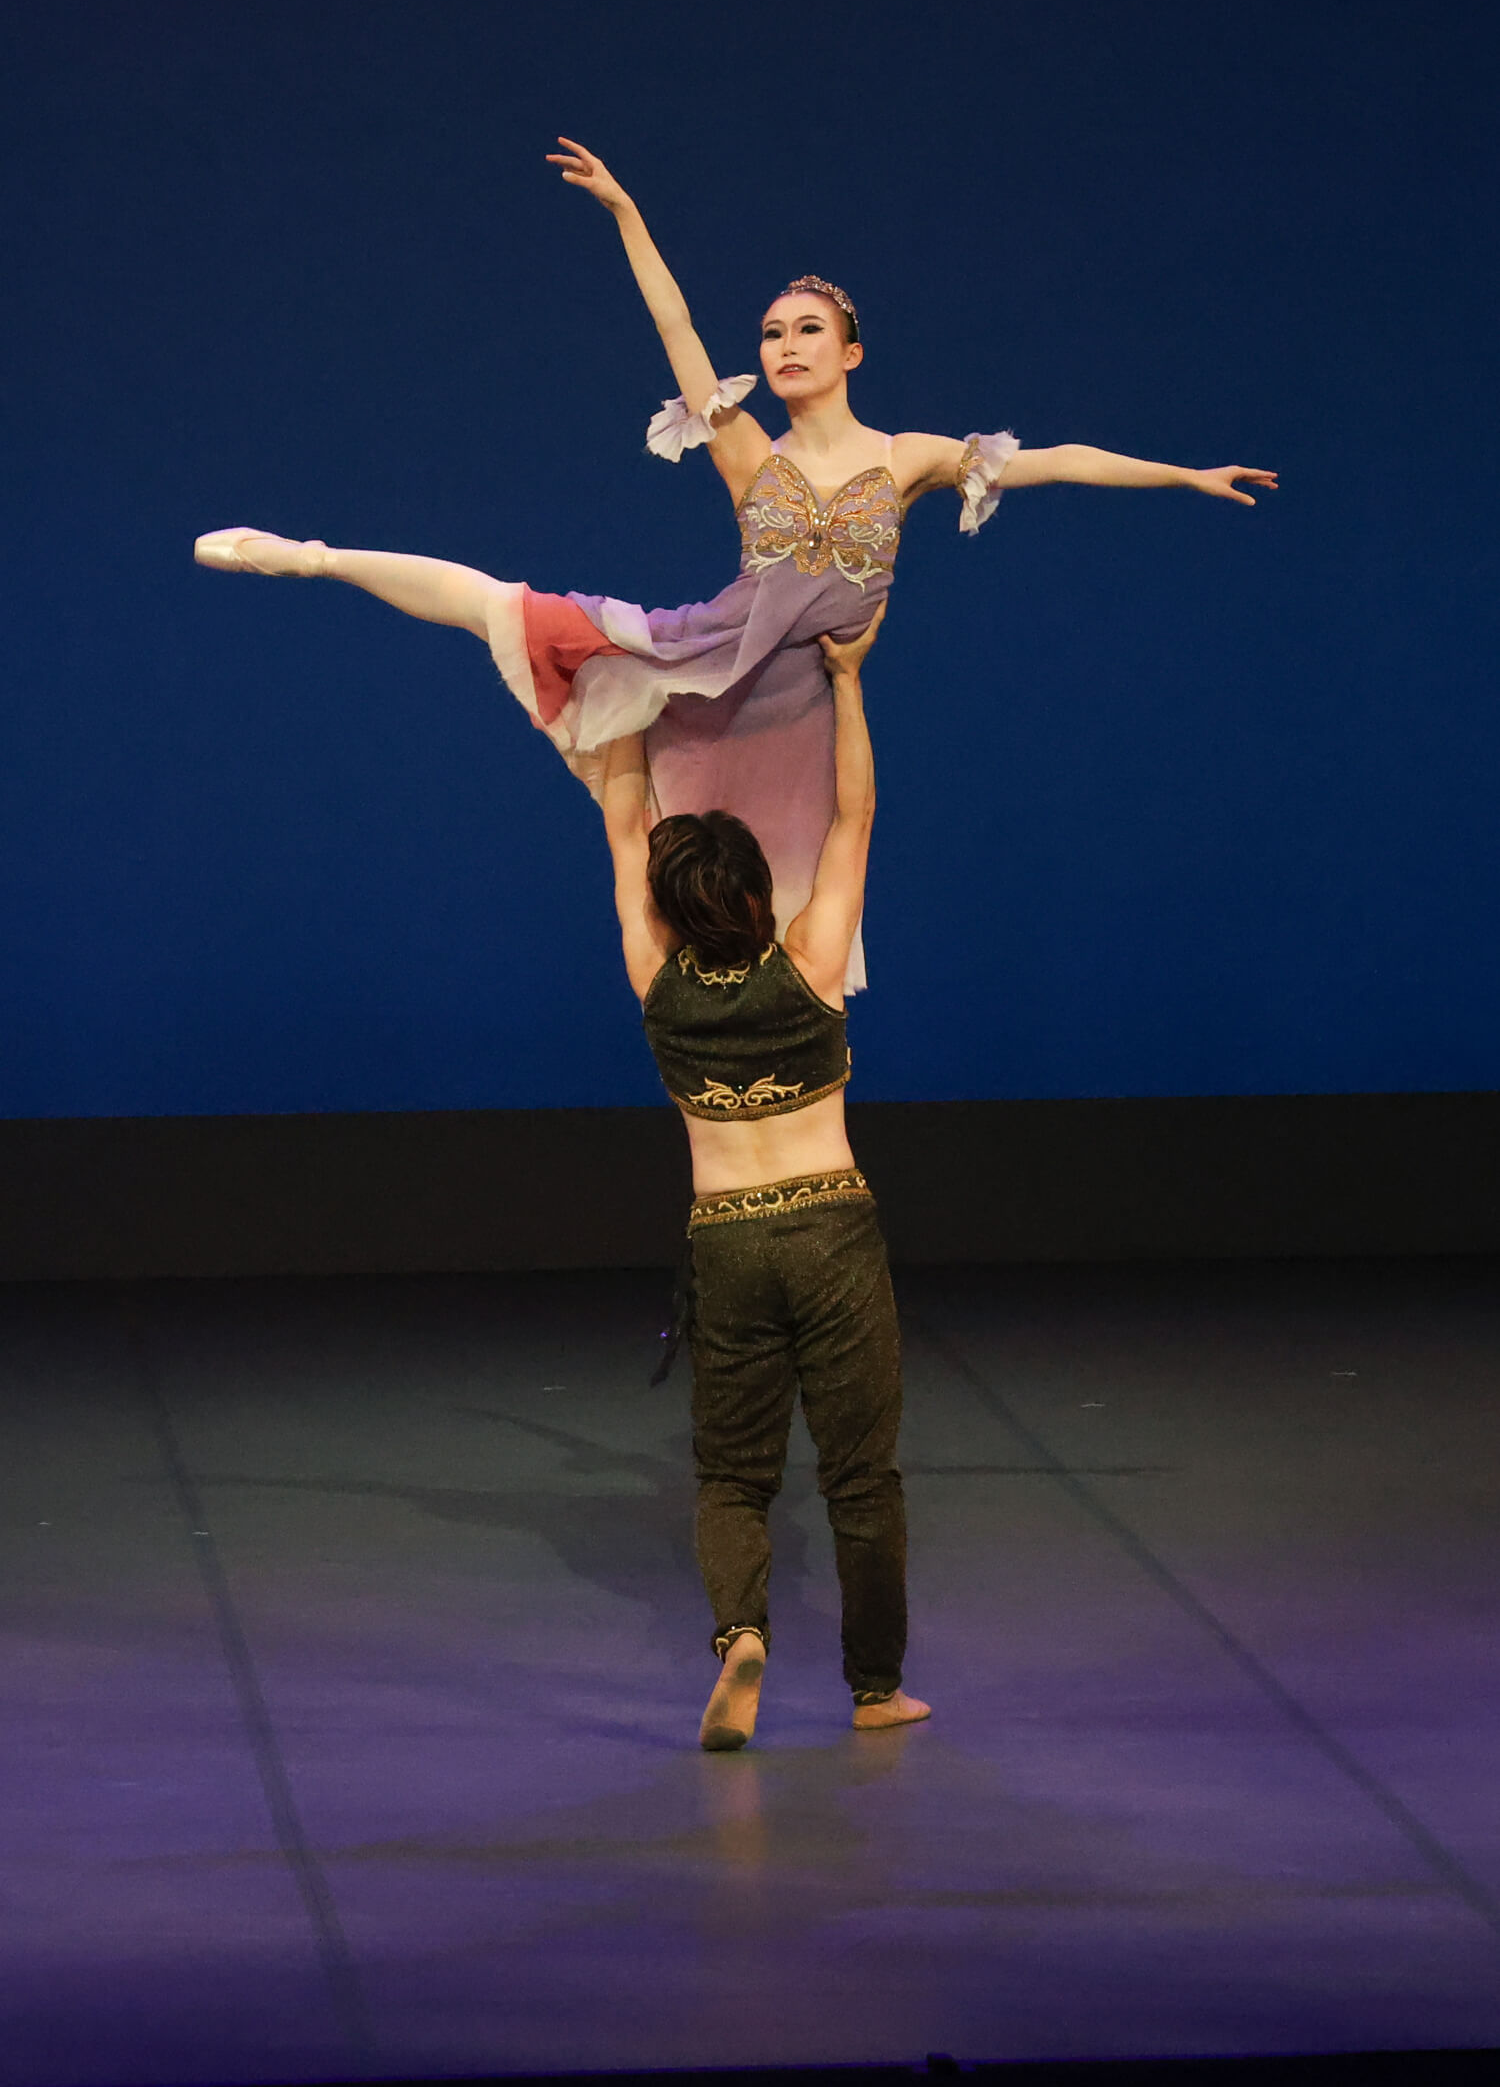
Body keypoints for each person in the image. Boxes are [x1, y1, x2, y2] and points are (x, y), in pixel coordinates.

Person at [194, 138, 1276, 990]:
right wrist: (628, 213)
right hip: (716, 664)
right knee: (510, 613)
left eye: (807, 330)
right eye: (771, 333)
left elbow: (1057, 460)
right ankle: (314, 558)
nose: (784, 346)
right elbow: (671, 323)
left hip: (803, 704)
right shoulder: (747, 449)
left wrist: (1184, 474)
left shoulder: (907, 457)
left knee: (797, 917)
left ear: (851, 351)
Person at [596, 596, 919, 1749]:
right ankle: (875, 1689)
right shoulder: (815, 961)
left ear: (673, 908)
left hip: (726, 1234)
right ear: (753, 895)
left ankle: (741, 1631)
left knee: (733, 1474)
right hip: (830, 1227)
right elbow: (853, 813)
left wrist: (627, 688)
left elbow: (626, 822)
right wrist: (847, 679)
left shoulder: (656, 981)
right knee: (860, 1475)